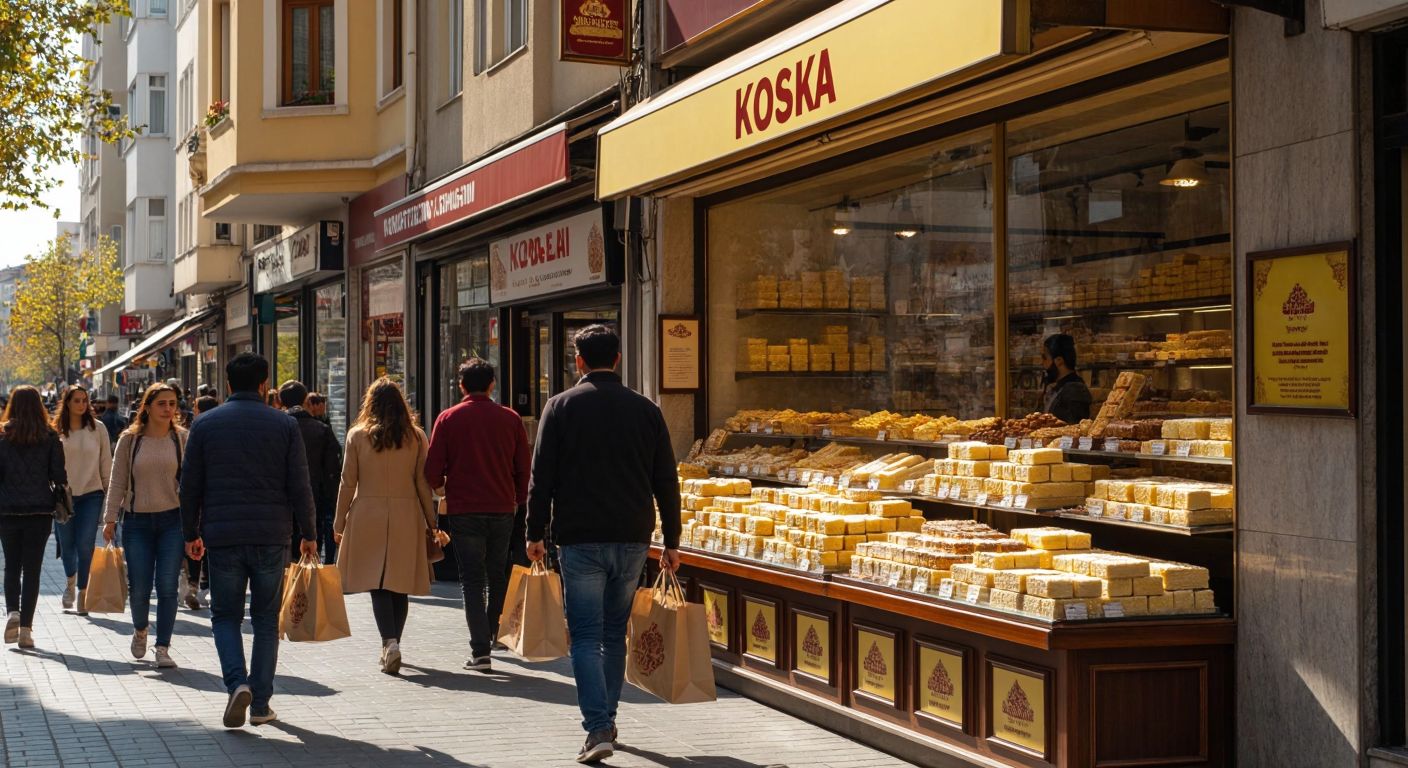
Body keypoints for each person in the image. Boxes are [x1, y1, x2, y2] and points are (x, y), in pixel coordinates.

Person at [526, 325, 681, 764]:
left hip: (579, 538)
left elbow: (542, 480)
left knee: (586, 635)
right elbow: (666, 480)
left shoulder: (559, 408)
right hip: (633, 537)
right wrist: (672, 539)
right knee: (614, 634)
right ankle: (607, 719)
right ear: (617, 359)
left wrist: (534, 533)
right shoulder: (646, 411)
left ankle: (597, 728)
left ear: (579, 361)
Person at [180, 353, 317, 729]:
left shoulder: (205, 425)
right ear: (264, 384)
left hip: (222, 536)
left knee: (224, 615)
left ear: (227, 384)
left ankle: (236, 682)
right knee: (264, 620)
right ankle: (260, 702)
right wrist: (309, 533)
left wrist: (190, 533)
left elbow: (189, 486)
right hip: (272, 535)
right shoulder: (283, 425)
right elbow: (300, 485)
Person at [425, 358, 530, 672]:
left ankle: (480, 650)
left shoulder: (448, 418)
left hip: (464, 509)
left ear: (460, 386)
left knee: (471, 580)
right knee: (497, 575)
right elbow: (524, 468)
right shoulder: (510, 419)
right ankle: (493, 634)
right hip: (501, 508)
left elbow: (432, 469)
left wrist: (443, 488)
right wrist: (519, 500)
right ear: (492, 384)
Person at [333, 377, 437, 675]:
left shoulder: (357, 436)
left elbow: (347, 483)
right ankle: (393, 644)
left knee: (377, 581)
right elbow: (422, 483)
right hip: (406, 513)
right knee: (399, 583)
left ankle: (389, 643)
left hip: (367, 512)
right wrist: (432, 522)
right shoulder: (416, 437)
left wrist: (339, 522)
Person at [103, 384, 188, 669]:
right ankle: (140, 629)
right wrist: (110, 518)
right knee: (139, 587)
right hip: (137, 522)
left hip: (172, 521)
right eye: (162, 403)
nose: (168, 409)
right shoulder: (130, 440)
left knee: (167, 586)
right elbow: (116, 481)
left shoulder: (181, 439)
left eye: (172, 403)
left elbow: (192, 483)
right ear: (148, 407)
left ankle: (162, 647)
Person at [0, 386, 67, 649]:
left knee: (11, 565)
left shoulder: (3, 436)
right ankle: (26, 629)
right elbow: (59, 476)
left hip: (7, 510)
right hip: (40, 510)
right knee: (33, 570)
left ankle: (12, 612)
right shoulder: (50, 437)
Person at [53, 386, 111, 615]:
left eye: (85, 400)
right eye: (76, 400)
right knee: (67, 545)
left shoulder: (98, 429)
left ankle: (83, 592)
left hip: (92, 494)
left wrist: (110, 494)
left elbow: (106, 461)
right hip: (62, 497)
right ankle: (70, 582)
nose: (82, 404)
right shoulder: (56, 430)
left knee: (85, 544)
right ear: (67, 403)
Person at [280, 381, 341, 564]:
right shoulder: (321, 430)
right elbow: (333, 469)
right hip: (315, 499)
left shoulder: (276, 429)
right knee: (311, 550)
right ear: (306, 400)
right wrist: (334, 501)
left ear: (281, 401)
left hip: (280, 502)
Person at [1040, 333, 1093, 425]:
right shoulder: (1061, 387)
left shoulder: (1075, 390)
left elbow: (1073, 430)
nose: (1042, 363)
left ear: (1059, 361)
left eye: (1045, 358)